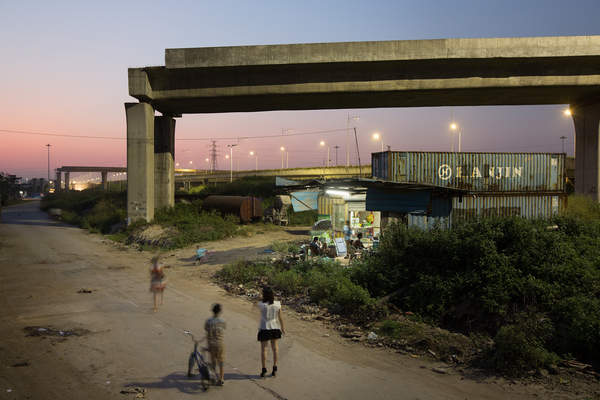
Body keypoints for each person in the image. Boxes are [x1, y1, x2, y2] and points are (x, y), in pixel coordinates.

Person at [256, 286, 285, 377]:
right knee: (275, 348)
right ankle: (275, 367)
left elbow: (254, 306)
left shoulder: (261, 304)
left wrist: (260, 297)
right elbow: (280, 317)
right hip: (275, 327)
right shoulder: (277, 304)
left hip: (264, 327)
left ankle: (264, 369)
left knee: (264, 349)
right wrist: (283, 328)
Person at [205, 303, 226, 386]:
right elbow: (224, 328)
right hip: (220, 343)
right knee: (221, 361)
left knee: (213, 362)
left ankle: (213, 376)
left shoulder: (208, 321)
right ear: (220, 311)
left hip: (211, 343)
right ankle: (221, 378)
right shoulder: (223, 321)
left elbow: (206, 330)